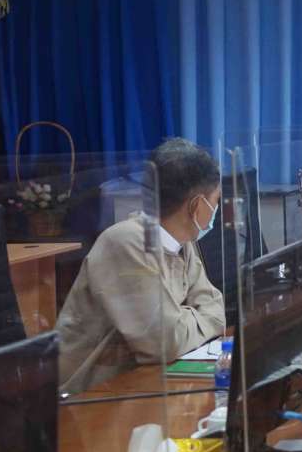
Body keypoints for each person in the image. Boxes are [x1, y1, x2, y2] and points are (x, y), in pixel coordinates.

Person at [57, 138, 226, 393]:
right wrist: (188, 317)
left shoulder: (182, 241)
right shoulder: (125, 243)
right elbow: (165, 343)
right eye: (216, 200)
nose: (217, 208)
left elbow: (216, 309)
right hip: (90, 393)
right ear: (196, 206)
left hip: (142, 381)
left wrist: (180, 320)